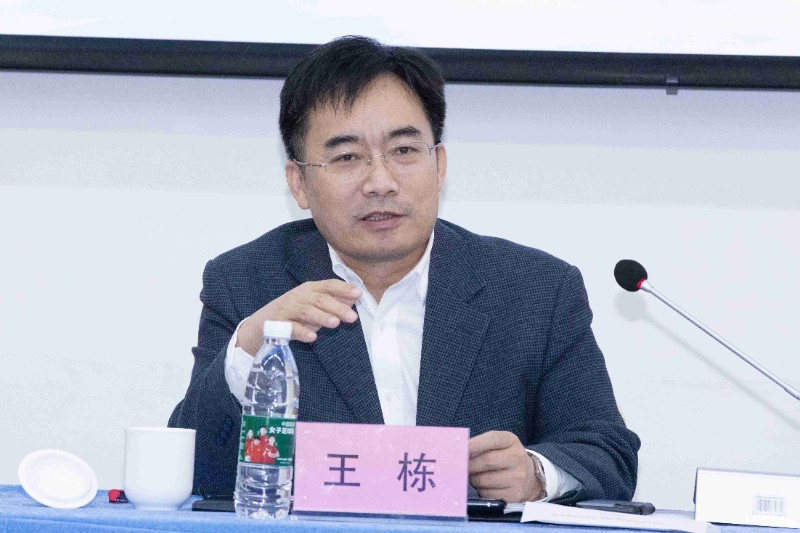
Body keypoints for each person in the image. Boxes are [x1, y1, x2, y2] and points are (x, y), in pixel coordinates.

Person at [169, 35, 639, 503]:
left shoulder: (536, 290)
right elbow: (195, 470)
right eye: (347, 157)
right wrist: (249, 353)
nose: (380, 182)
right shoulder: (248, 283)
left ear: (439, 165)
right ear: (300, 183)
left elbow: (608, 453)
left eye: (404, 151)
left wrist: (537, 474)